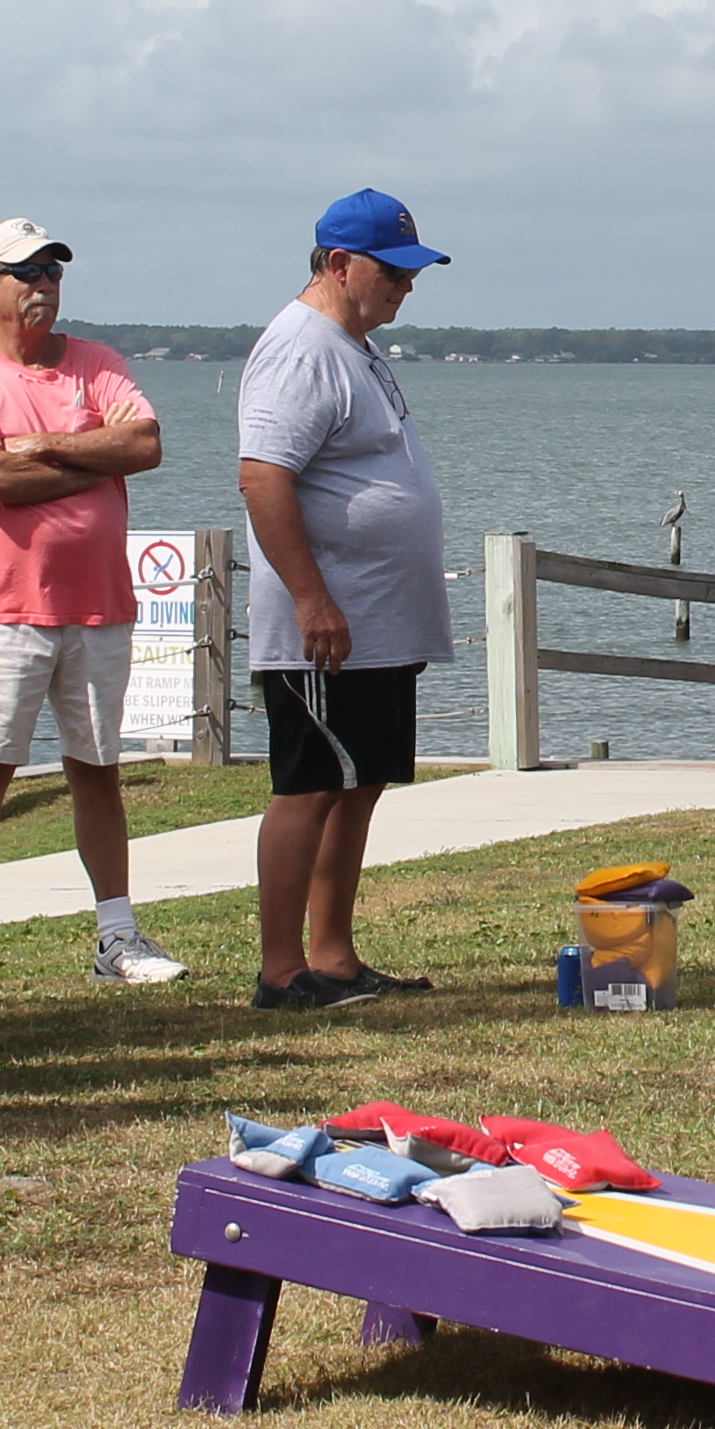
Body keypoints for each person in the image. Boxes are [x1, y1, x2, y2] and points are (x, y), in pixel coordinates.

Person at [0, 218, 181, 991]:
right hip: (3, 610)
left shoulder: (98, 364)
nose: (43, 286)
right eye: (26, 273)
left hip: (98, 605)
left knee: (97, 771)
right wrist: (93, 459)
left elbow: (145, 445)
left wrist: (39, 445)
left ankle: (117, 938)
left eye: (52, 272)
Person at [236, 191, 456, 1011]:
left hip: (377, 621)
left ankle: (332, 955)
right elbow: (264, 477)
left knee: (358, 783)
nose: (406, 286)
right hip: (326, 624)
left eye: (411, 272)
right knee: (310, 785)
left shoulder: (354, 347)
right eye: (392, 272)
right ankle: (280, 969)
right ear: (338, 264)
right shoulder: (300, 350)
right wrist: (311, 598)